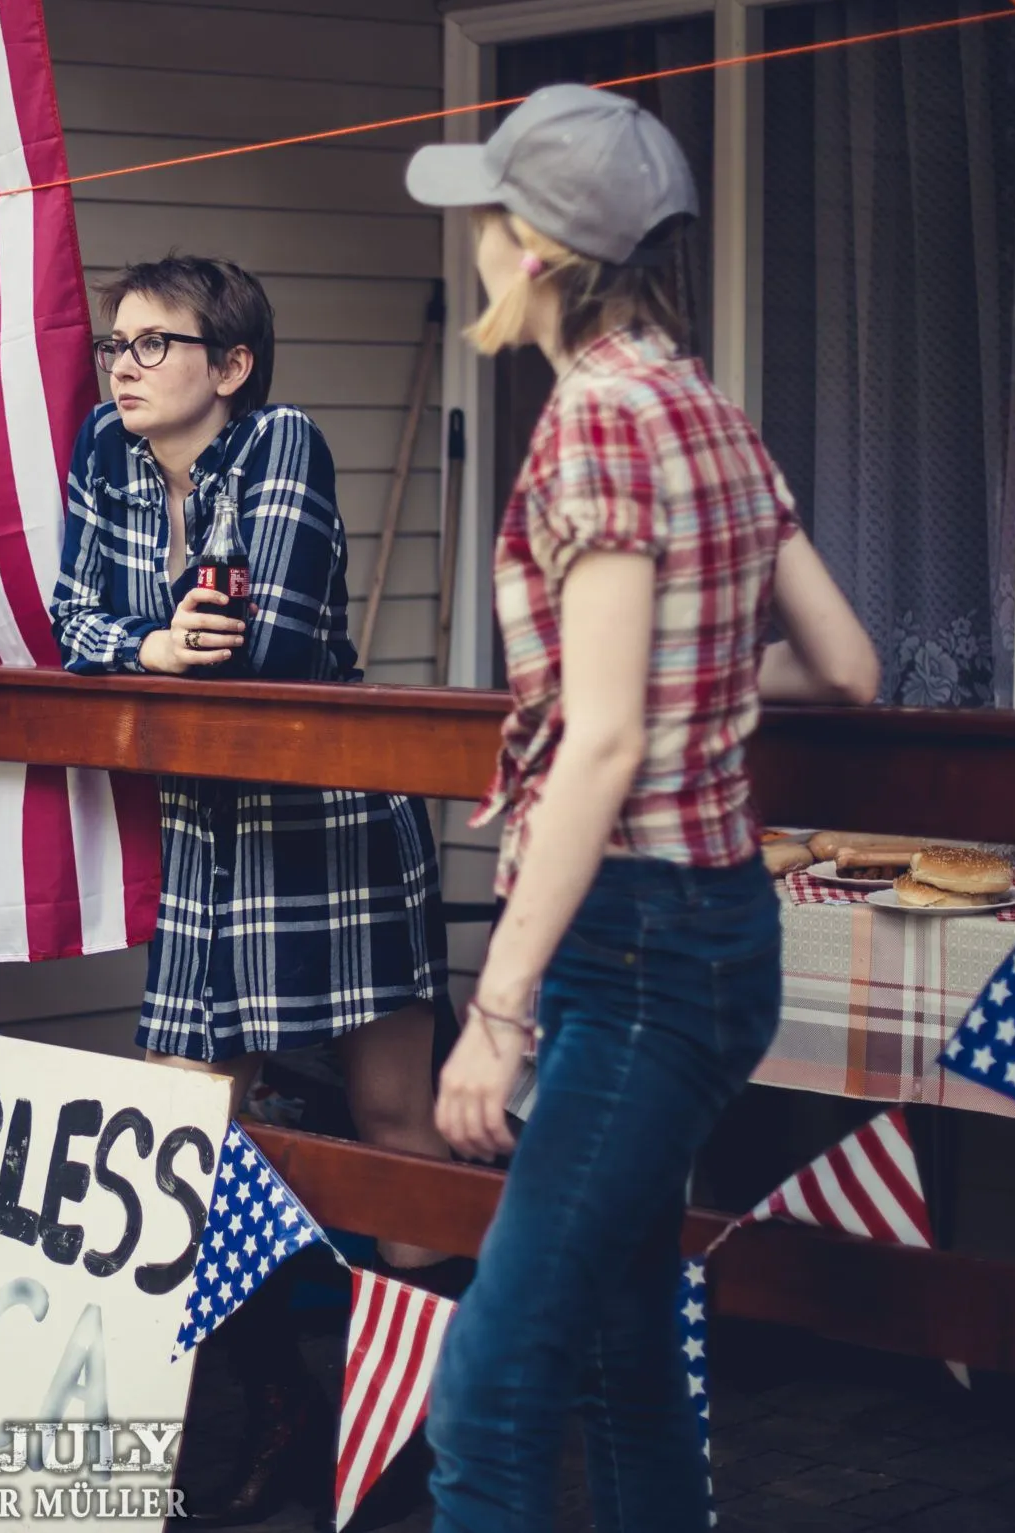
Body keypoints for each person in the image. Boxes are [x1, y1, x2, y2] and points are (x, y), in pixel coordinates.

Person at [404, 85, 881, 1531]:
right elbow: (849, 666)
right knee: (621, 1356)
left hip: (638, 949)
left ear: (541, 247)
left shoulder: (599, 427)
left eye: (490, 219)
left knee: (486, 1393)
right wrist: (710, 698)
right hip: (717, 930)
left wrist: (498, 1006)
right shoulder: (708, 410)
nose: (477, 246)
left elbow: (602, 745)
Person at [50, 254, 452, 1523]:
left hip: (328, 817)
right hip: (208, 832)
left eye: (153, 344)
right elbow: (71, 622)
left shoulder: (285, 440)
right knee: (183, 1140)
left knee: (395, 1122)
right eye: (116, 343)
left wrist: (160, 643)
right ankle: (270, 1408)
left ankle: (418, 1437)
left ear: (229, 367)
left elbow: (264, 634)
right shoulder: (101, 458)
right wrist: (155, 641)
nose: (122, 365)